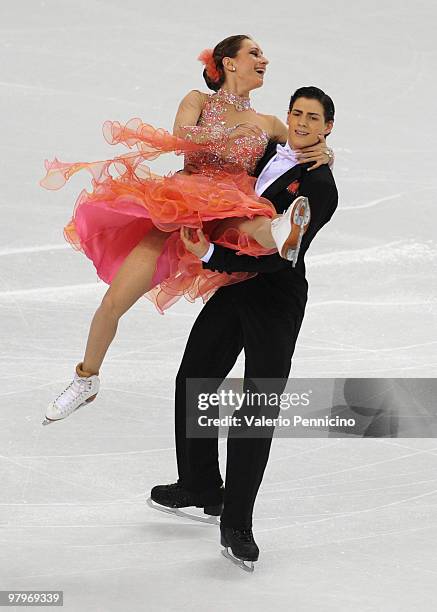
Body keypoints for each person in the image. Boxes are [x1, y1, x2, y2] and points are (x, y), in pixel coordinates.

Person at [39, 35, 332, 425]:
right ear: (228, 63)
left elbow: (297, 145)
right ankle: (86, 379)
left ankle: (280, 234)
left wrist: (327, 152)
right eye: (255, 54)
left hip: (230, 208)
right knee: (115, 300)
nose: (264, 59)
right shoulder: (199, 100)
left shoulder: (269, 123)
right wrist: (228, 136)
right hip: (180, 206)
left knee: (260, 225)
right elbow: (182, 133)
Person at [150, 86, 338, 570]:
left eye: (312, 118)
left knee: (256, 405)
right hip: (235, 284)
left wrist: (211, 255)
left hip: (276, 296)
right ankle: (199, 484)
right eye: (296, 113)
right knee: (196, 377)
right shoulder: (270, 152)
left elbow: (284, 256)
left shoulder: (321, 187)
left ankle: (238, 522)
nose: (300, 122)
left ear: (326, 128)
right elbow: (220, 162)